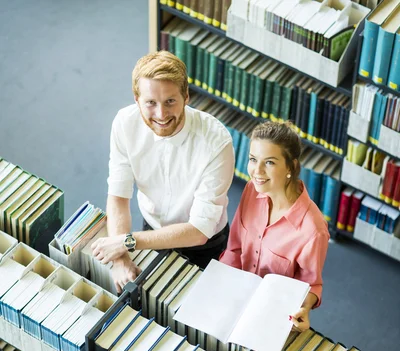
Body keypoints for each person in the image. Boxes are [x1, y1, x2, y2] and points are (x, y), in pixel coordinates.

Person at [91, 51, 235, 293]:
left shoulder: (216, 141)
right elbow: (118, 195)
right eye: (151, 103)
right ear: (137, 99)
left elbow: (199, 230)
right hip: (151, 230)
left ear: (186, 96)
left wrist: (126, 242)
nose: (161, 115)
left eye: (170, 101)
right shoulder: (124, 124)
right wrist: (121, 258)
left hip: (205, 244)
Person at [220, 121, 330, 332]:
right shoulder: (252, 190)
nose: (257, 171)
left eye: (269, 162)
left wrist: (303, 308)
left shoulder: (313, 230)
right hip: (234, 295)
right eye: (253, 159)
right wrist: (220, 284)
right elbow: (234, 248)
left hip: (271, 315)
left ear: (291, 166)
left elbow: (311, 284)